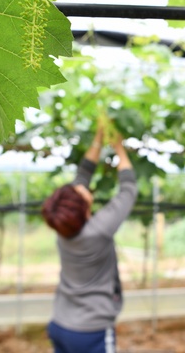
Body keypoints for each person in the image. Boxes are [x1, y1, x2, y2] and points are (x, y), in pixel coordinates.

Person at [41, 125, 137, 353]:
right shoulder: (97, 231)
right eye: (80, 194)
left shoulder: (63, 225)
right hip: (90, 332)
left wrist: (99, 138)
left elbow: (82, 175)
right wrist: (119, 149)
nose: (81, 188)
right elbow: (128, 190)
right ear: (83, 210)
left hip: (61, 324)